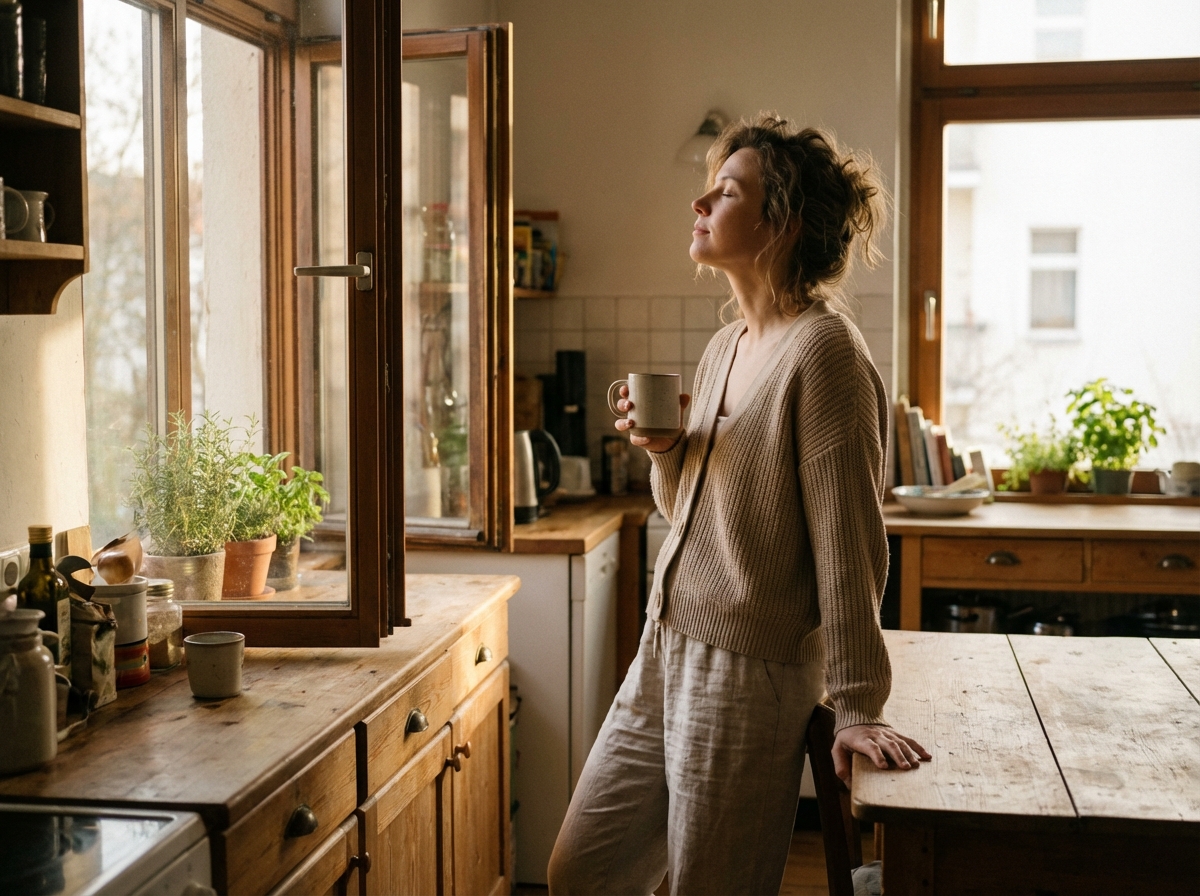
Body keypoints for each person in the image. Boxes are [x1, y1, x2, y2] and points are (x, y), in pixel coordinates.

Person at [546, 115, 930, 896]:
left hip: (752, 670)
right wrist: (665, 450)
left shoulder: (825, 354)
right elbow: (686, 507)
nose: (699, 204)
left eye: (724, 192)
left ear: (780, 222)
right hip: (665, 640)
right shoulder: (725, 346)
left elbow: (850, 544)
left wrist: (857, 704)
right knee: (582, 870)